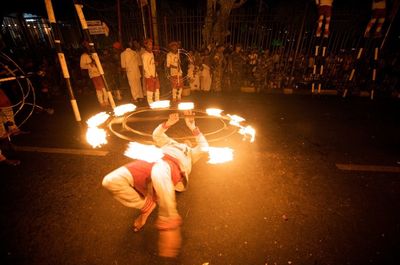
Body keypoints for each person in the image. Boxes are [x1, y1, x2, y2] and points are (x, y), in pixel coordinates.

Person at [102, 110, 209, 257]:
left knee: (160, 168)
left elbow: (204, 147)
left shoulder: (191, 153)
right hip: (151, 160)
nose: (187, 141)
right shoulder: (170, 143)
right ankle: (147, 205)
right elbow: (157, 135)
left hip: (171, 167)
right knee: (110, 181)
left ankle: (169, 219)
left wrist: (193, 127)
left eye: (189, 140)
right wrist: (168, 123)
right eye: (185, 139)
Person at [79, 41, 109, 108]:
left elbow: (102, 61)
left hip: (101, 72)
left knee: (104, 88)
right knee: (99, 89)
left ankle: (106, 101)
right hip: (94, 74)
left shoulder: (95, 53)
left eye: (88, 44)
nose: (88, 46)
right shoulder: (84, 55)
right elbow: (82, 66)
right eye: (86, 45)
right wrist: (90, 65)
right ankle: (102, 102)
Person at [141, 38, 160, 105]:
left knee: (157, 89)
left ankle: (157, 103)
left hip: (155, 74)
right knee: (150, 91)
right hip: (149, 76)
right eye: (149, 45)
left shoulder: (151, 53)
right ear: (145, 45)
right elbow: (145, 67)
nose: (151, 46)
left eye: (151, 44)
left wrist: (155, 63)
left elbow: (151, 63)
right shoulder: (144, 55)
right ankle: (151, 104)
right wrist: (150, 76)